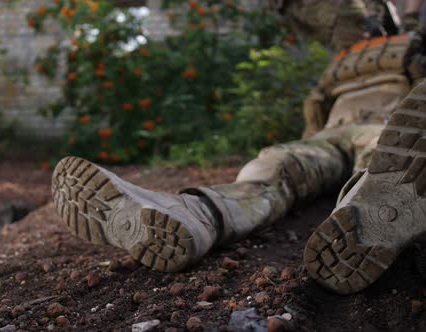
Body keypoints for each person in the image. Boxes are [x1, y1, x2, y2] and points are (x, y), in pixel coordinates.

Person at [50, 0, 426, 295]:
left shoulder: (415, 44)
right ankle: (190, 215)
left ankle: (377, 211)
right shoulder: (346, 56)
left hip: (385, 127)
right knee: (274, 164)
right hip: (329, 136)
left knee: (382, 161)